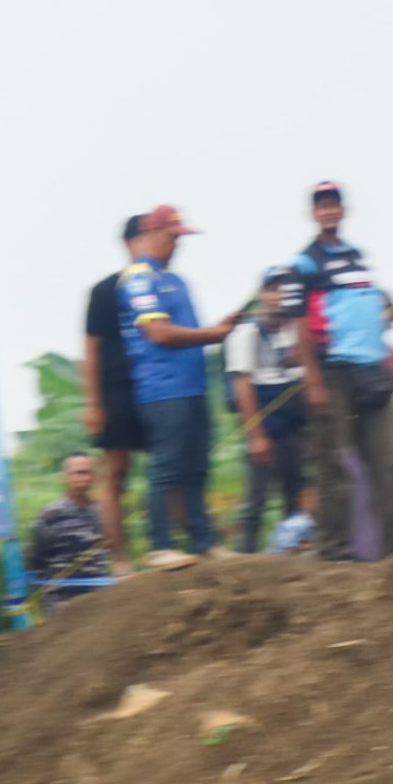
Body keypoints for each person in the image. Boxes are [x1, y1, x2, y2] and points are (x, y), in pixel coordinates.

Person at [292, 182, 393, 559]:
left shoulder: (358, 257)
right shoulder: (305, 262)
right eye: (321, 206)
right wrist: (312, 379)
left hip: (372, 369)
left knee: (388, 462)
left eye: (333, 205)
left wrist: (386, 344)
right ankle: (333, 549)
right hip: (333, 371)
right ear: (313, 214)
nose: (328, 211)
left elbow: (378, 307)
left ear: (343, 210)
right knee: (333, 462)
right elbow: (299, 323)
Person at [118, 205, 237, 555]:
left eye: (180, 237)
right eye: (171, 236)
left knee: (197, 467)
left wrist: (218, 329)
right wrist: (213, 334)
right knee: (166, 469)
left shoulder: (178, 281)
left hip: (194, 386)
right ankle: (161, 546)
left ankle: (204, 542)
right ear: (151, 234)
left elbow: (189, 332)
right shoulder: (139, 278)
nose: (177, 244)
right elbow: (159, 333)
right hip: (162, 389)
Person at [228, 269, 312, 556]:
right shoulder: (246, 333)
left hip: (295, 422)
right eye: (273, 289)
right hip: (265, 421)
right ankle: (246, 557)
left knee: (296, 490)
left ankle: (293, 553)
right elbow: (242, 384)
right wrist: (256, 435)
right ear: (262, 294)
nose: (279, 296)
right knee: (257, 497)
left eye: (285, 289)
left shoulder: (297, 328)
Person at [82, 217, 150, 559]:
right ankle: (121, 561)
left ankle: (175, 546)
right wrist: (93, 404)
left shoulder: (165, 286)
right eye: (145, 237)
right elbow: (91, 349)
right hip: (117, 391)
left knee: (168, 467)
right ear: (129, 243)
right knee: (116, 473)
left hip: (157, 387)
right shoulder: (105, 290)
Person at [27, 453, 113, 610]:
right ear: (65, 477)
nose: (85, 478)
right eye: (79, 473)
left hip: (98, 599)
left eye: (89, 473)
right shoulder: (51, 516)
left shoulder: (104, 512)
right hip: (61, 601)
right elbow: (35, 561)